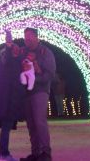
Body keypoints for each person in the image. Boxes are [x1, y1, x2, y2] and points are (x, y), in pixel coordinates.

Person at [19, 28, 56, 161]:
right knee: (31, 123)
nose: (27, 40)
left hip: (40, 90)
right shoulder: (23, 52)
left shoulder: (45, 52)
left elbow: (50, 73)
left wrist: (35, 80)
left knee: (39, 121)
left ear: (36, 37)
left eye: (29, 37)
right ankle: (35, 153)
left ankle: (46, 153)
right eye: (25, 38)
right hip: (27, 92)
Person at [0, 30, 24, 161]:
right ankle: (4, 155)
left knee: (6, 127)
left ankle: (4, 154)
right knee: (5, 127)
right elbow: (10, 56)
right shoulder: (6, 61)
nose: (18, 51)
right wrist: (9, 43)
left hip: (7, 100)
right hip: (6, 101)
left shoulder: (8, 64)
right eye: (15, 49)